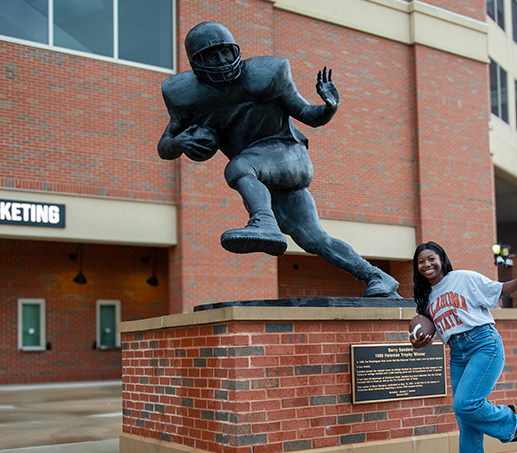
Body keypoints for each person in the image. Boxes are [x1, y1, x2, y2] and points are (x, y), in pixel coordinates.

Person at [157, 21, 399, 297]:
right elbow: (165, 146)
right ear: (196, 61)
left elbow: (306, 113)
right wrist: (180, 141)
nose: (222, 60)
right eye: (211, 55)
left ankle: (263, 220)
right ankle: (377, 277)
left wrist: (328, 107)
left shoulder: (266, 73)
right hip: (262, 174)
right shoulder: (184, 94)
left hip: (289, 155)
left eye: (225, 52)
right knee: (313, 238)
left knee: (238, 166)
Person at [409, 241, 517, 453]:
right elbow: (426, 334)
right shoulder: (426, 299)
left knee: (465, 405)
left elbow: (500, 290)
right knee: (466, 422)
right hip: (457, 353)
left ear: (442, 259)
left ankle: (509, 423)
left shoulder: (462, 278)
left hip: (483, 344)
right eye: (421, 262)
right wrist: (417, 341)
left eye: (431, 258)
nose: (427, 265)